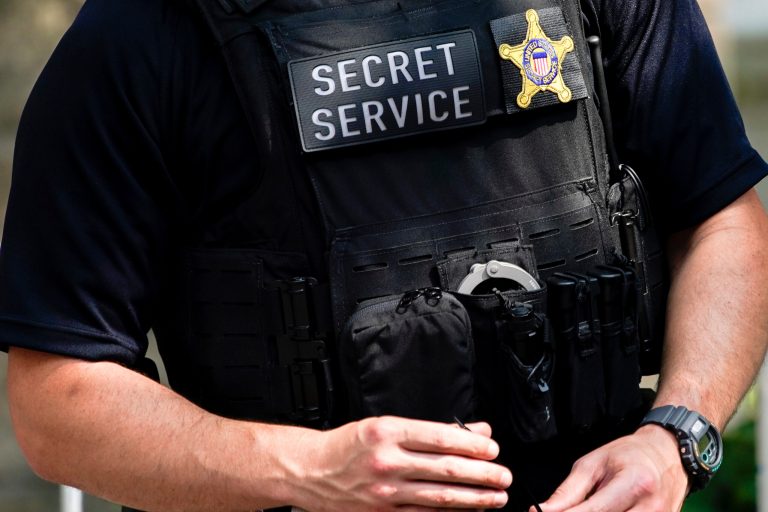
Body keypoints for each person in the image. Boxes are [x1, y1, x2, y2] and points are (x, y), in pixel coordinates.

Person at [3, 0, 768, 510]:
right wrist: (308, 470)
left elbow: (720, 221)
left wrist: (676, 436)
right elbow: (56, 401)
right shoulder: (143, 34)